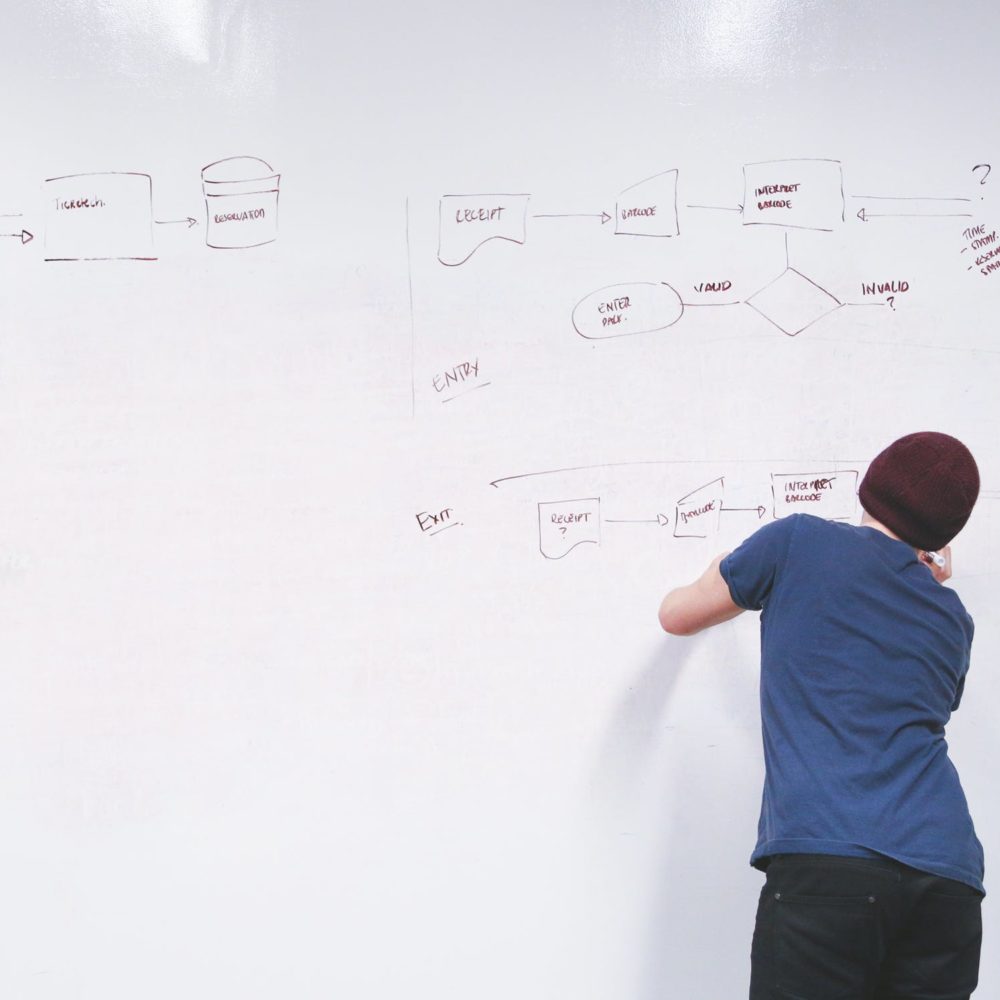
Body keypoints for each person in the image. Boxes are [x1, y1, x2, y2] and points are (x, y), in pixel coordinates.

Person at [658, 432, 985, 999]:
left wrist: (728, 565)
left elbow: (677, 615)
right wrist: (924, 579)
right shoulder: (952, 616)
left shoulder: (797, 542)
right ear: (943, 535)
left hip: (833, 863)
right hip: (947, 876)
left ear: (873, 482)